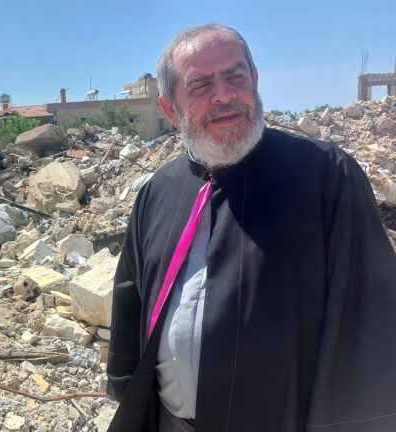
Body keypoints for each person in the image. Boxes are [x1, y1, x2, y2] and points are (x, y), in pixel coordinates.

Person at [107, 23, 396, 432]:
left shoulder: (325, 176)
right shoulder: (158, 191)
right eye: (200, 85)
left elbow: (371, 321)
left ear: (255, 81)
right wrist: (127, 392)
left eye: (235, 76)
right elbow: (131, 301)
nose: (223, 94)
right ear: (171, 109)